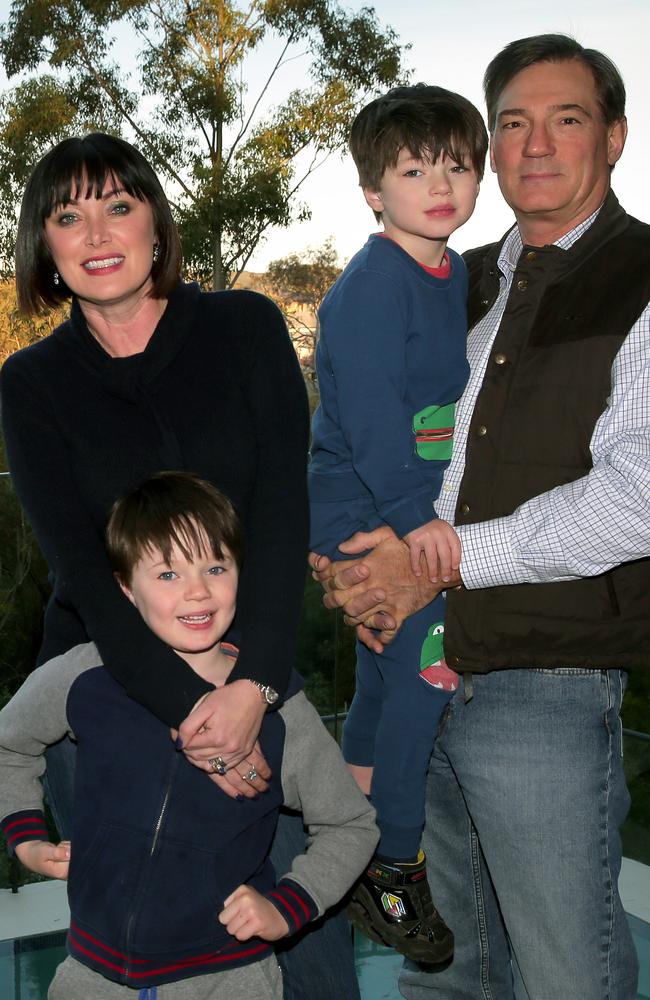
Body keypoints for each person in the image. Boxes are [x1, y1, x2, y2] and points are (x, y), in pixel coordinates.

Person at [312, 33, 650, 1000]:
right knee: (450, 978)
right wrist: (345, 556)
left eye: (568, 119)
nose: (535, 144)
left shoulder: (642, 278)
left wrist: (439, 555)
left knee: (566, 976)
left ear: (616, 138)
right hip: (418, 654)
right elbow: (366, 414)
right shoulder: (456, 277)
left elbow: (640, 498)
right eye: (512, 123)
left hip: (542, 686)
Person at [0, 133, 358, 999]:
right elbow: (83, 572)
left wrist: (252, 693)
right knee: (139, 958)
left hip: (252, 675)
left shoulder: (244, 328)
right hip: (106, 696)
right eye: (68, 215)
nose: (97, 232)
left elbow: (280, 519)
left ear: (156, 224)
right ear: (43, 248)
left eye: (119, 205)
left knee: (299, 947)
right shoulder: (31, 383)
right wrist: (195, 714)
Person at [0, 471, 379, 1000]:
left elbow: (350, 823)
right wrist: (27, 842)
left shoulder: (279, 711)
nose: (198, 589)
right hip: (90, 977)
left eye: (215, 566)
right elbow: (8, 744)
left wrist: (287, 905)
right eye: (168, 574)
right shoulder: (83, 676)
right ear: (125, 588)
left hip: (228, 980)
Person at [308, 84, 487, 964]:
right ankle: (392, 864)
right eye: (414, 169)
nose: (440, 184)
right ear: (374, 189)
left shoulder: (453, 271)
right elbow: (378, 427)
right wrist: (421, 527)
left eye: (458, 164)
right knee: (428, 672)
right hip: (370, 507)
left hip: (403, 504)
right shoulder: (373, 287)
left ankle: (347, 835)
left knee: (383, 680)